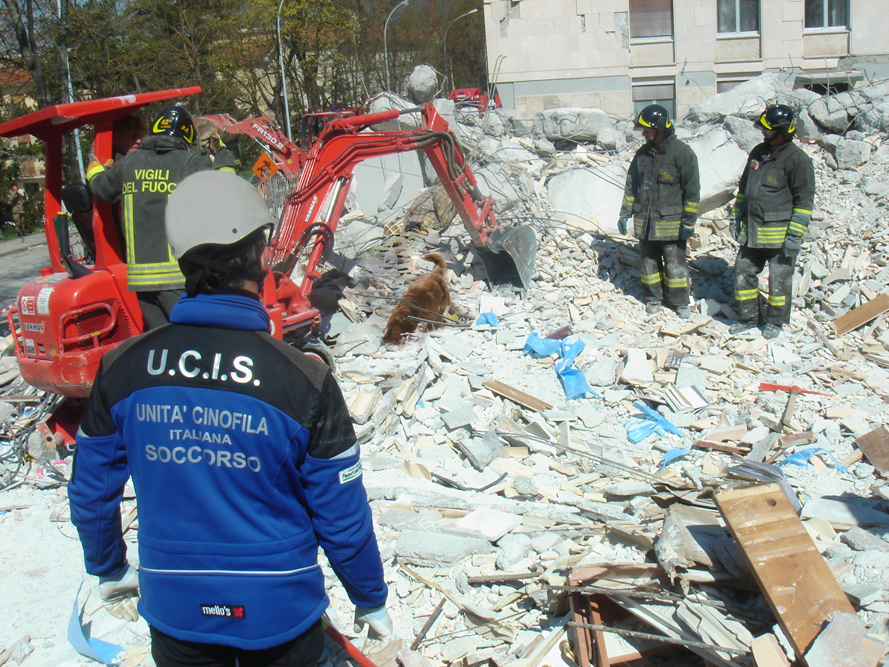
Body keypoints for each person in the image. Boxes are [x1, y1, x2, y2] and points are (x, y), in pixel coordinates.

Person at [68, 170, 391, 667]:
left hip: (175, 612)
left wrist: (108, 568)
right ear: (256, 257)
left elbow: (91, 491)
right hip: (280, 613)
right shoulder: (303, 378)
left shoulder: (123, 367)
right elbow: (340, 512)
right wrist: (369, 597)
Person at [87, 105, 235, 329]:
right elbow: (224, 189)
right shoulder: (189, 162)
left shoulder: (128, 165)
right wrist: (222, 154)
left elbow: (101, 188)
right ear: (186, 137)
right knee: (193, 339)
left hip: (141, 282)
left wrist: (94, 168)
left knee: (162, 342)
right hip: (176, 277)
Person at [729, 104, 815, 340]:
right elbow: (744, 189)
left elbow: (804, 203)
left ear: (782, 131)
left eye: (768, 131)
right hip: (753, 233)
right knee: (743, 273)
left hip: (780, 237)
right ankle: (748, 318)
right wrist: (737, 217)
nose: (763, 134)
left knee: (779, 282)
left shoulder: (798, 161)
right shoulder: (758, 152)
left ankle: (775, 322)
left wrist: (794, 236)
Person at [618, 104, 700, 319]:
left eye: (646, 130)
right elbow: (631, 185)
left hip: (671, 225)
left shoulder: (682, 154)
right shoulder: (643, 155)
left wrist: (688, 222)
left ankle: (680, 302)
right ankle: (653, 298)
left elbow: (692, 191)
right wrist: (625, 212)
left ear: (659, 128)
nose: (643, 134)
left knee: (675, 267)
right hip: (646, 223)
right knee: (648, 264)